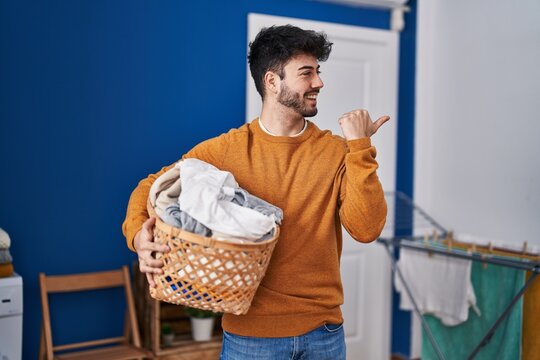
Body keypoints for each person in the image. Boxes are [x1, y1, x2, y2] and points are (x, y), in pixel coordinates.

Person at [122, 24, 388, 360]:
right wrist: (138, 235)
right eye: (306, 73)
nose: (319, 82)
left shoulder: (337, 151)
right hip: (250, 338)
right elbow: (151, 185)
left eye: (317, 72)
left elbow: (366, 229)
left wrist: (360, 147)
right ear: (272, 82)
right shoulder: (226, 151)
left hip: (323, 333)